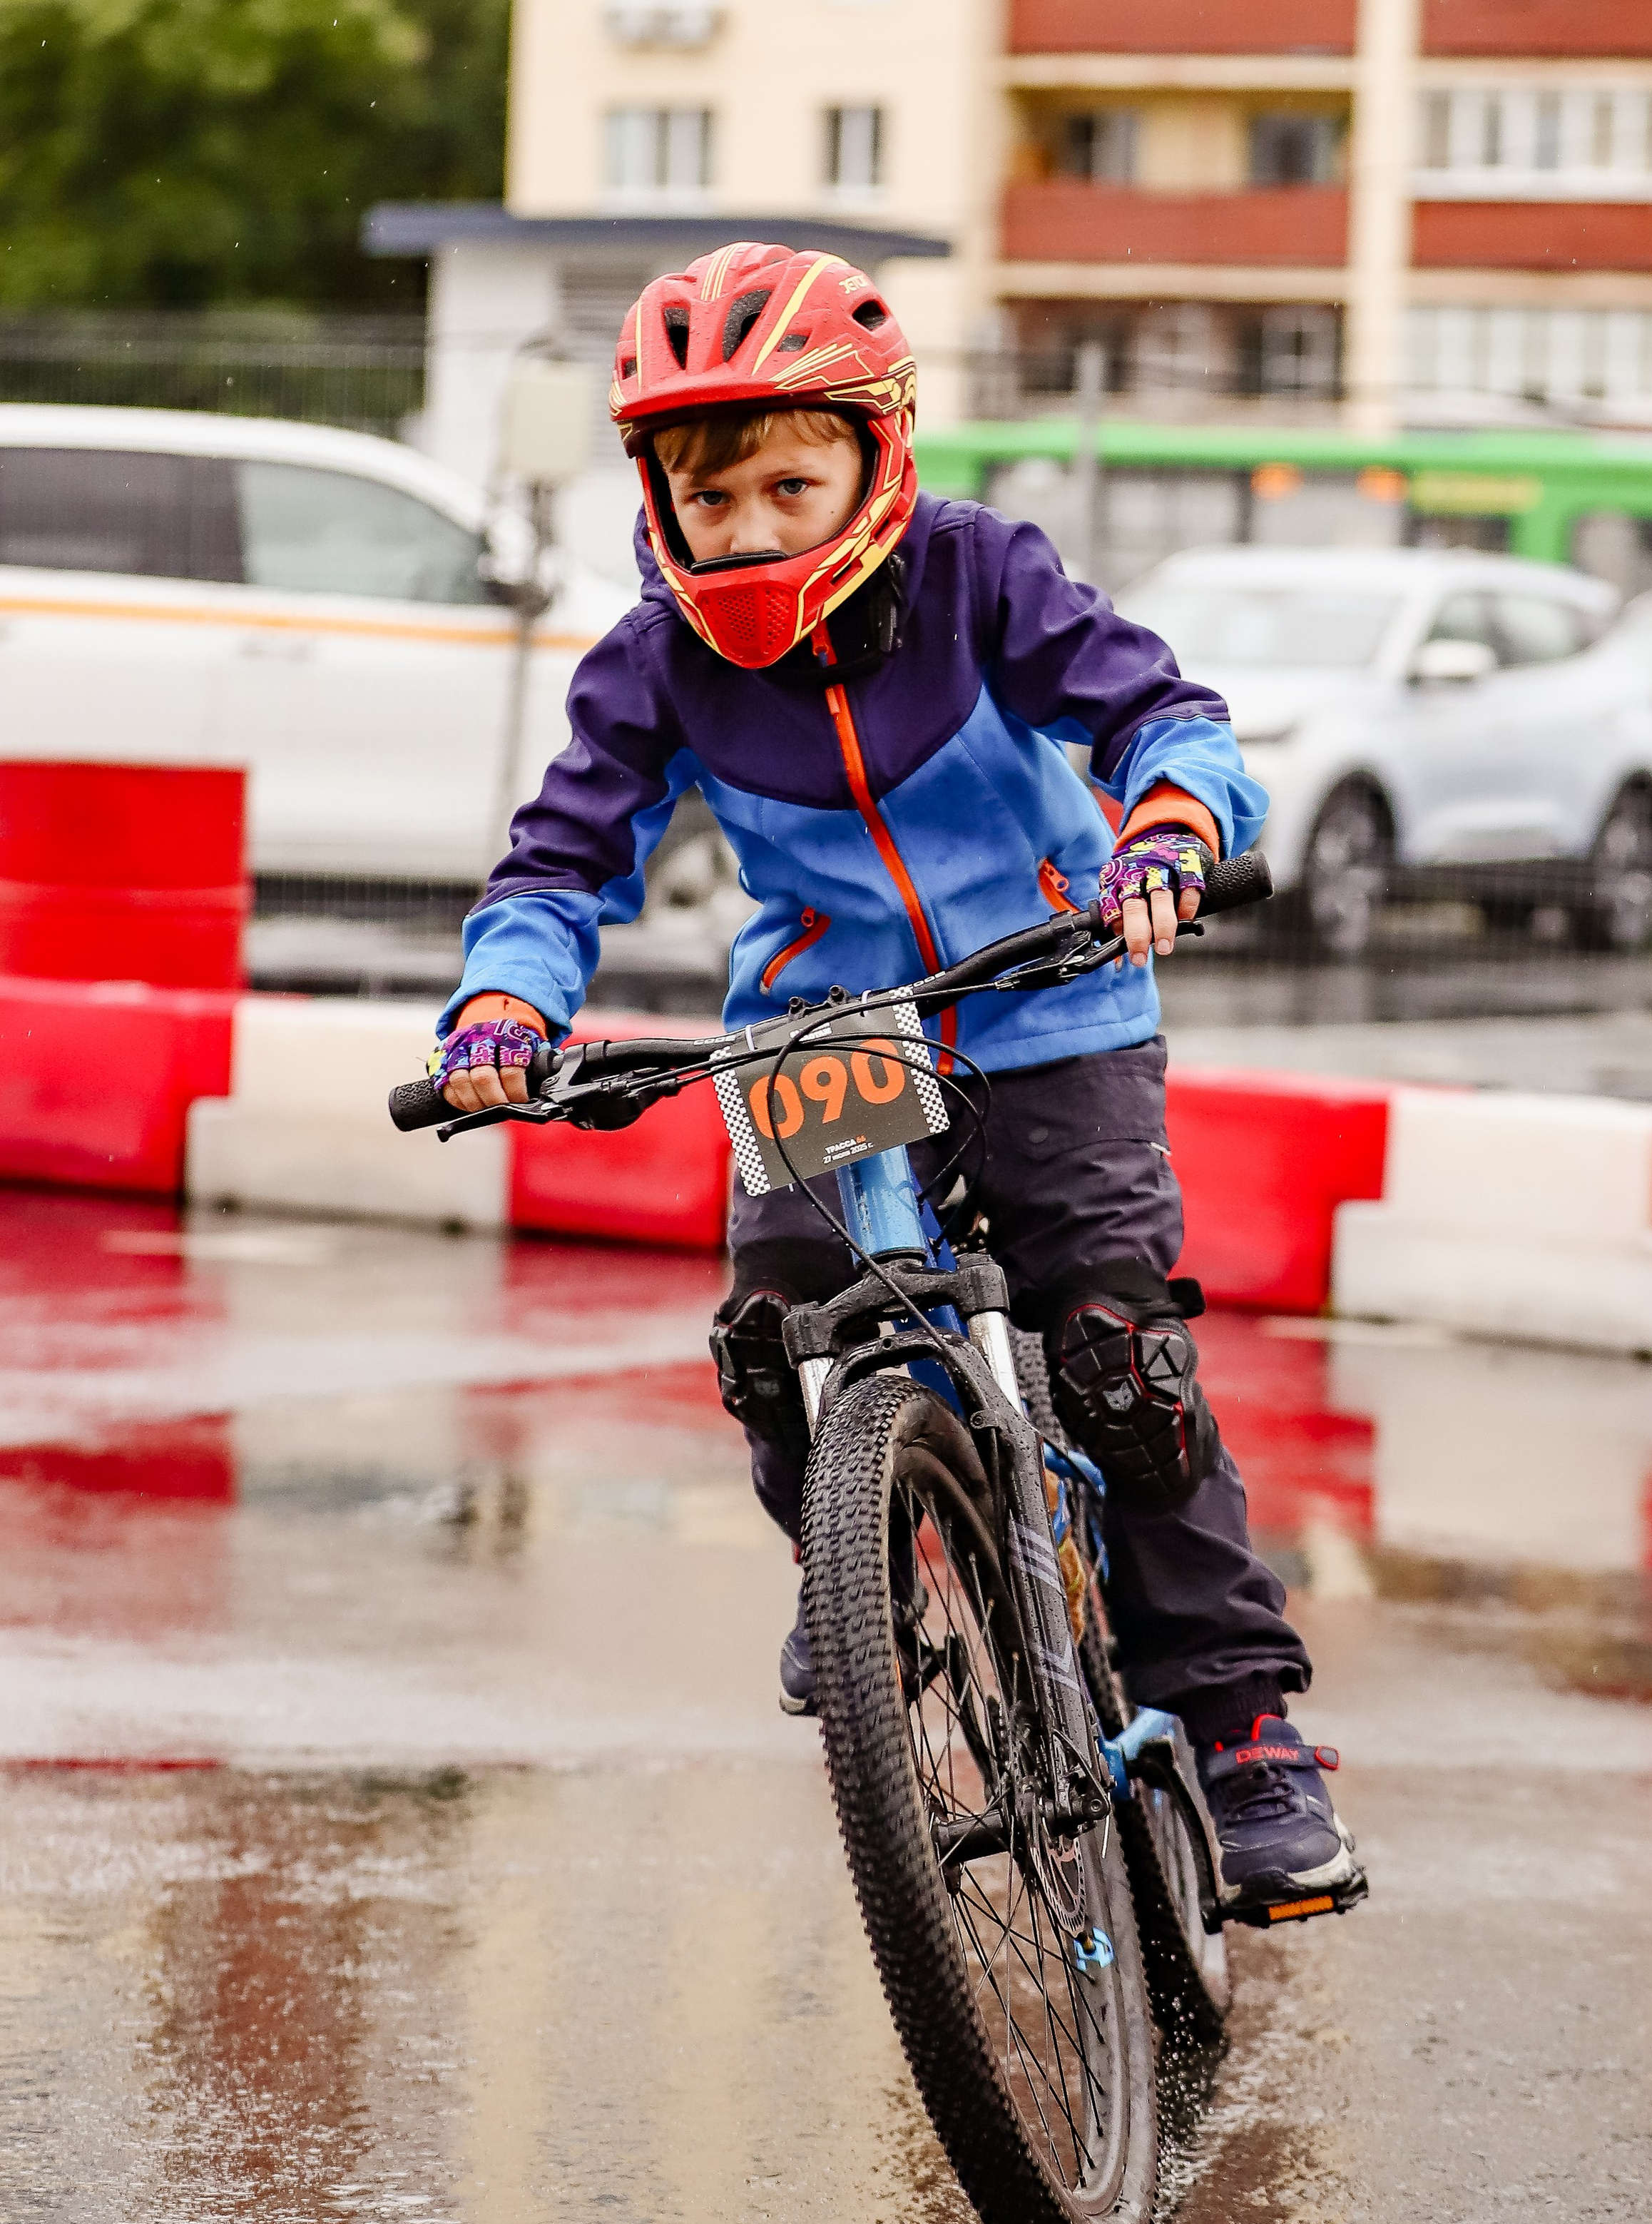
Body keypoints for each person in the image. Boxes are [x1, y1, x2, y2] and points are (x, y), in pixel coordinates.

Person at [432, 244, 1365, 1926]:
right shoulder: (653, 658)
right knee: (777, 1330)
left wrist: (1169, 826)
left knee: (1115, 1358)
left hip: (1050, 993)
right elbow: (557, 865)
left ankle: (1243, 1735)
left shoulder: (979, 574)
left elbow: (1163, 718)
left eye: (789, 485)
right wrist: (504, 1001)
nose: (750, 531)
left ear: (879, 452)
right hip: (825, 1027)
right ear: (657, 498)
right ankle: (855, 1562)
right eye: (711, 498)